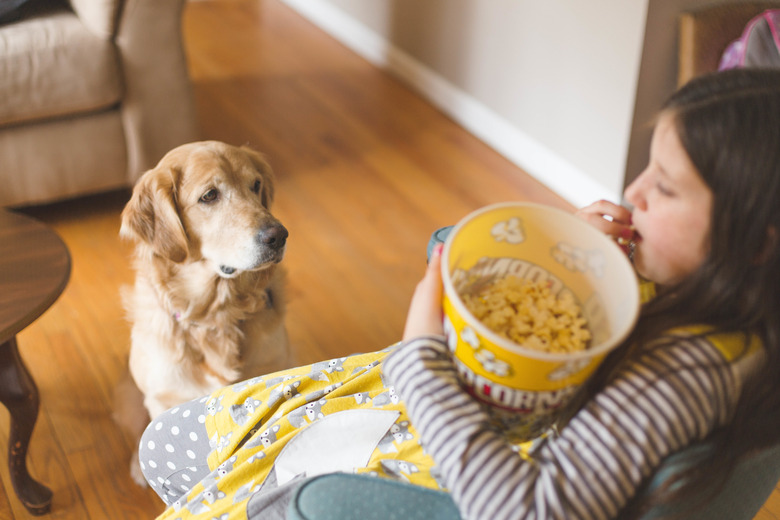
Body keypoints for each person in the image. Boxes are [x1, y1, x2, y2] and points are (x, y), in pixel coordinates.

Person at [137, 68, 780, 519]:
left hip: (458, 457)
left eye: (665, 188)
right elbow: (464, 248)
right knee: (162, 443)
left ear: (757, 240)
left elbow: (526, 510)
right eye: (647, 166)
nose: (633, 193)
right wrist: (573, 249)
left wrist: (421, 351)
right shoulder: (705, 296)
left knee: (216, 471)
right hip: (478, 411)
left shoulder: (687, 375)